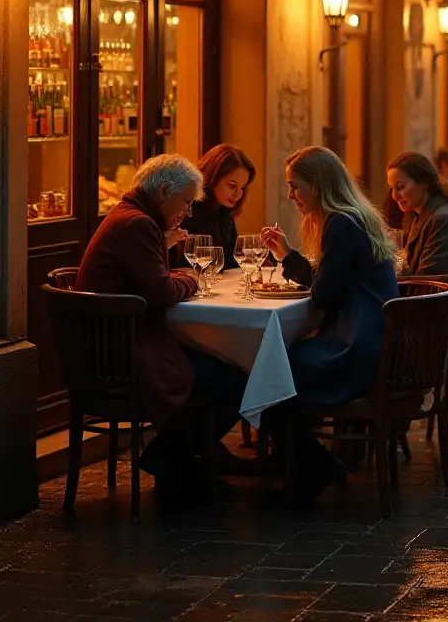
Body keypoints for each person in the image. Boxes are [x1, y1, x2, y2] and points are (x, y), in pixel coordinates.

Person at [75, 153, 246, 492]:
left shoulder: (129, 216)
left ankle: (176, 458)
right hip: (122, 358)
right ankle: (174, 460)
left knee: (220, 369)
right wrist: (193, 280)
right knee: (236, 376)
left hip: (114, 345)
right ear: (164, 190)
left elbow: (151, 281)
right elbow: (163, 290)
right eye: (185, 202)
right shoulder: (139, 224)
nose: (188, 212)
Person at [260, 146, 400, 500]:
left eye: (295, 186)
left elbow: (324, 295)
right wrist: (288, 256)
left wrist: (292, 261)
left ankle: (309, 470)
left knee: (270, 374)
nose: (291, 195)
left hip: (356, 347)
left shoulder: (340, 224)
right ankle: (304, 467)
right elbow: (329, 284)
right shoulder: (353, 217)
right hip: (372, 338)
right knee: (274, 369)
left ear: (318, 185)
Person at [388, 152, 448, 367]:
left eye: (400, 187)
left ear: (424, 184)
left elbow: (428, 285)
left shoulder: (443, 219)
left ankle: (404, 399)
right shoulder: (417, 214)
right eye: (392, 188)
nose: (394, 195)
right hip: (436, 310)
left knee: (385, 349)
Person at [182, 144, 256, 269]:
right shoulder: (188, 211)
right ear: (212, 177)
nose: (238, 194)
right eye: (232, 185)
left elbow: (231, 264)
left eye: (242, 187)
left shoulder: (225, 213)